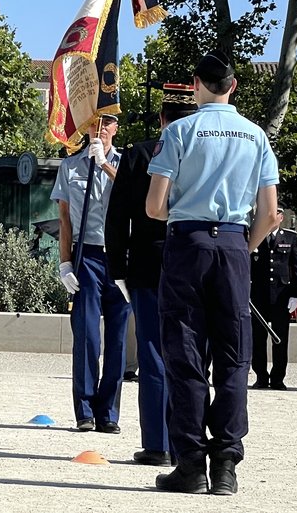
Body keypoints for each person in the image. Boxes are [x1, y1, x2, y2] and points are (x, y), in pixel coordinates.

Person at [145, 49, 281, 495]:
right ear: (234, 86)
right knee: (233, 357)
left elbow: (154, 206)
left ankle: (190, 464)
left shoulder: (180, 131)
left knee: (184, 356)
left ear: (196, 85)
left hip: (189, 243)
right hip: (235, 247)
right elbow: (270, 212)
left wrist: (189, 221)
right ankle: (226, 464)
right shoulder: (256, 137)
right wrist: (246, 245)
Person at [105, 83, 197, 466]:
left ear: (161, 118)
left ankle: (157, 444)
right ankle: (186, 444)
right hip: (193, 265)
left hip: (146, 267)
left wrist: (117, 267)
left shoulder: (139, 154)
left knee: (153, 354)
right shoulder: (201, 154)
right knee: (190, 355)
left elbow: (117, 216)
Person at [51, 114, 128, 433]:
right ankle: (84, 409)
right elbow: (65, 220)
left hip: (120, 255)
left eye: (107, 123)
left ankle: (108, 412)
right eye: (95, 123)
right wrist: (65, 262)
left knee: (118, 338)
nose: (101, 130)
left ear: (115, 128)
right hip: (88, 254)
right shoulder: (70, 167)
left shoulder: (126, 164)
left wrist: (106, 166)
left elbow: (134, 198)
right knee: (86, 335)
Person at [250, 207, 297, 391]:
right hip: (258, 296)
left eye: (276, 213)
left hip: (281, 296)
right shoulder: (254, 235)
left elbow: (296, 269)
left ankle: (278, 378)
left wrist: (296, 295)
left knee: (280, 338)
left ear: (281, 217)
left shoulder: (290, 237)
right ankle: (261, 377)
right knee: (258, 338)